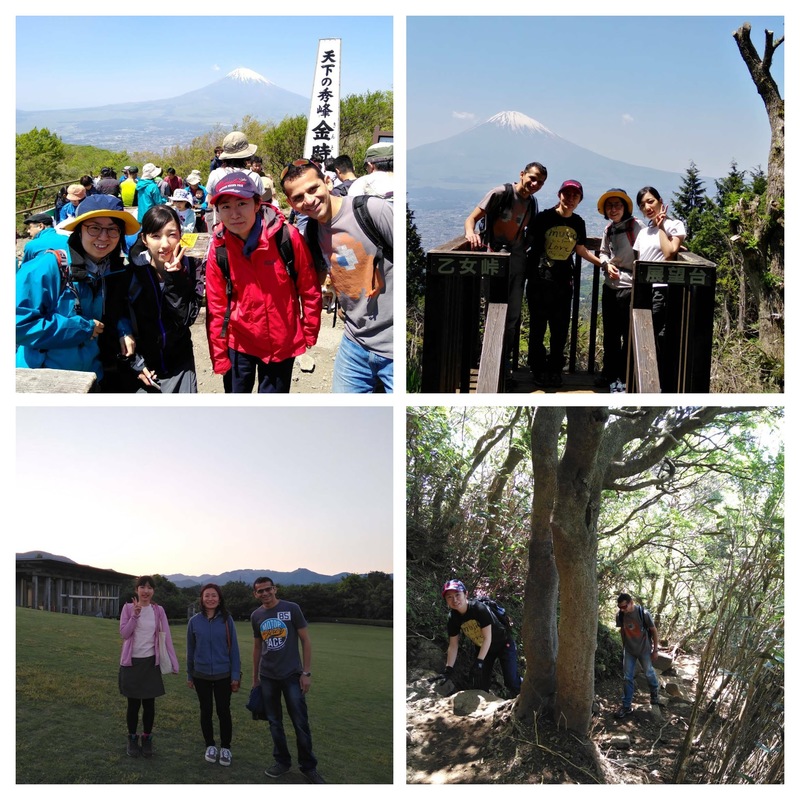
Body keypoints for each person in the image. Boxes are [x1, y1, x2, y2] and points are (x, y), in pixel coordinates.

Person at [281, 159, 394, 393]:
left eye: (313, 189)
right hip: (355, 343)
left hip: (393, 345)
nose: (309, 201)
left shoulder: (372, 210)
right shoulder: (312, 230)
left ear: (328, 182)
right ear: (290, 203)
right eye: (299, 197)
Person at [205, 172, 321, 393]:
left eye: (242, 203)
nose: (234, 214)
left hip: (282, 341)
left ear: (258, 203)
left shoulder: (286, 237)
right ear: (218, 212)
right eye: (226, 207)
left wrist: (309, 330)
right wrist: (219, 356)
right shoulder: (219, 249)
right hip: (239, 342)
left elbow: (309, 288)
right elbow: (216, 307)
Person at [16, 194, 139, 389]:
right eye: (94, 228)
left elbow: (115, 307)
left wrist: (123, 330)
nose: (104, 237)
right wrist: (82, 328)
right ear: (79, 230)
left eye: (113, 229)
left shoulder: (112, 269)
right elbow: (18, 323)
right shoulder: (50, 266)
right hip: (43, 381)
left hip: (90, 377)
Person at [464, 162, 547, 376]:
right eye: (533, 178)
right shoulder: (500, 193)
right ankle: (489, 360)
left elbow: (530, 232)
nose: (535, 184)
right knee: (493, 309)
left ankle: (503, 360)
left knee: (512, 315)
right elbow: (471, 218)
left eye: (540, 182)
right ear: (522, 174)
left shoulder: (532, 203)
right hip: (493, 256)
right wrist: (470, 233)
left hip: (517, 260)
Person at [526, 179, 603, 388]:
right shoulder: (543, 218)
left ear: (580, 199)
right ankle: (538, 368)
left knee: (560, 329)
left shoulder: (578, 222)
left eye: (575, 195)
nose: (570, 198)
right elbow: (528, 243)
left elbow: (580, 249)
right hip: (539, 282)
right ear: (559, 195)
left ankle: (554, 369)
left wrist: (602, 264)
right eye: (566, 194)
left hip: (563, 283)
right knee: (538, 327)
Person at [251, 577, 324, 784]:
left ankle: (308, 767)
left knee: (300, 723)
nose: (265, 594)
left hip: (292, 675)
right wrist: (255, 678)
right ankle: (282, 762)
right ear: (255, 594)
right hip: (267, 676)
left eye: (267, 589)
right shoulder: (256, 615)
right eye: (260, 591)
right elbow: (257, 648)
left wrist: (306, 673)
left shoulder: (291, 608)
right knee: (274, 723)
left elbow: (305, 640)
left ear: (275, 589)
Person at [124, 204, 203, 392]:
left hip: (180, 362)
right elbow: (122, 320)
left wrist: (174, 278)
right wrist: (135, 362)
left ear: (181, 236)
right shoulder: (132, 273)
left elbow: (186, 319)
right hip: (145, 368)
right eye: (156, 236)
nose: (165, 244)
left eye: (172, 234)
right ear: (144, 239)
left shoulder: (192, 268)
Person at [633, 186, 687, 392]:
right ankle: (645, 381)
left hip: (661, 290)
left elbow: (669, 253)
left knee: (656, 336)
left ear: (660, 201)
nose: (647, 207)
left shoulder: (674, 224)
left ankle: (658, 384)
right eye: (642, 204)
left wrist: (662, 226)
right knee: (642, 335)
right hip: (641, 289)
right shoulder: (644, 232)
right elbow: (639, 260)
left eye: (650, 201)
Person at [119, 576, 179, 758]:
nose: (146, 591)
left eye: (149, 587)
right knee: (133, 704)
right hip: (132, 663)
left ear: (153, 591)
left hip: (150, 662)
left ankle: (146, 739)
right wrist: (135, 615)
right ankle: (132, 739)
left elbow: (166, 636)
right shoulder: (128, 608)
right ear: (137, 590)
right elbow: (124, 634)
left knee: (149, 704)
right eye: (142, 587)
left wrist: (174, 663)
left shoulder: (158, 610)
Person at [595, 189, 645, 393]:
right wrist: (606, 264)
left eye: (618, 205)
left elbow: (651, 248)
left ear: (625, 207)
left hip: (630, 288)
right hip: (610, 287)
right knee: (611, 334)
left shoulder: (637, 227)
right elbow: (604, 251)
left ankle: (624, 376)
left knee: (627, 334)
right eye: (610, 205)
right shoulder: (610, 229)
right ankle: (610, 373)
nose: (613, 209)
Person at [187, 583, 241, 767]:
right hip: (200, 674)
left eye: (214, 595)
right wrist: (189, 674)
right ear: (202, 598)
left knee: (223, 711)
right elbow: (190, 649)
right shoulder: (194, 621)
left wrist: (235, 674)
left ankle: (226, 747)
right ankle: (210, 745)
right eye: (207, 595)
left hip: (223, 674)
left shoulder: (227, 620)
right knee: (206, 710)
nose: (210, 599)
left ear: (219, 599)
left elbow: (234, 649)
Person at [439, 580, 521, 696]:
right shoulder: (453, 618)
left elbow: (488, 637)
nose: (455, 600)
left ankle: (526, 694)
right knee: (479, 686)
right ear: (446, 600)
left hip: (503, 644)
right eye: (449, 597)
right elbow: (453, 645)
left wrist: (479, 661)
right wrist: (448, 669)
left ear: (466, 594)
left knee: (511, 682)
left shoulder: (479, 609)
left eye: (457, 595)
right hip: (484, 649)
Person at [614, 593, 660, 718]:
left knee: (649, 672)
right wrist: (624, 647)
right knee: (627, 677)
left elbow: (654, 631)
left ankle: (654, 692)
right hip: (629, 650)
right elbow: (623, 631)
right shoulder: (620, 616)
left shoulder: (643, 614)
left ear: (631, 602)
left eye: (625, 606)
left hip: (644, 649)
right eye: (620, 607)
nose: (623, 609)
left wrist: (655, 650)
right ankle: (626, 706)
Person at [206, 131, 264, 227]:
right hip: (248, 227)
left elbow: (210, 201)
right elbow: (260, 203)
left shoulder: (215, 174)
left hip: (222, 225)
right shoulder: (254, 177)